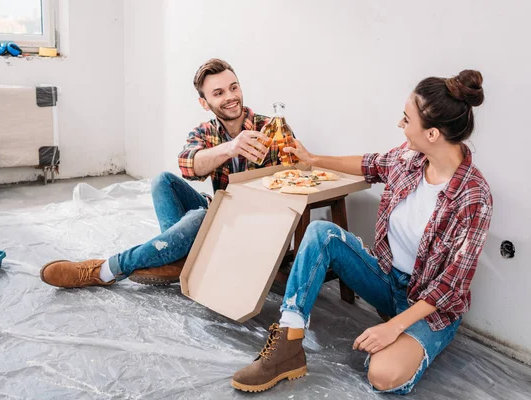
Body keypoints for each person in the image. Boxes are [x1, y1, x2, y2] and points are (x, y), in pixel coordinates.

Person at [231, 70, 492, 395]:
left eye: (406, 119)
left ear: (433, 134)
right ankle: (289, 341)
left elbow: (451, 288)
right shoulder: (411, 157)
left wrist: (393, 327)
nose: (400, 125)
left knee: (382, 376)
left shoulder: (473, 196)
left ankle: (403, 341)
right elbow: (372, 164)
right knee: (321, 233)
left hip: (431, 308)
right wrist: (313, 159)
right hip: (387, 279)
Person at [40, 58, 282, 288]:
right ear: (204, 103)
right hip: (220, 210)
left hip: (249, 224)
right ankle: (177, 259)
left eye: (233, 88)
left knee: (199, 217)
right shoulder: (205, 131)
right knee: (163, 181)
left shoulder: (272, 128)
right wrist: (230, 148)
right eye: (218, 93)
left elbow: (295, 181)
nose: (230, 97)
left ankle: (105, 270)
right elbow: (188, 165)